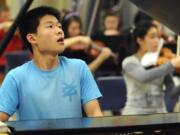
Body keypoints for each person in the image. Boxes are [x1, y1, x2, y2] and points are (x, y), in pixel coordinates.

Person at [0, 6, 103, 122]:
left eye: (59, 26)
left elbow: (95, 114)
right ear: (32, 38)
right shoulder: (16, 77)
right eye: (50, 26)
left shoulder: (79, 68)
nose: (59, 31)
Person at [122, 21, 180, 115]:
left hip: (159, 114)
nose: (157, 40)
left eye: (158, 37)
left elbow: (171, 94)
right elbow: (144, 77)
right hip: (134, 114)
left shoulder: (162, 62)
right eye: (152, 37)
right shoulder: (129, 62)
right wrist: (171, 64)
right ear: (140, 40)